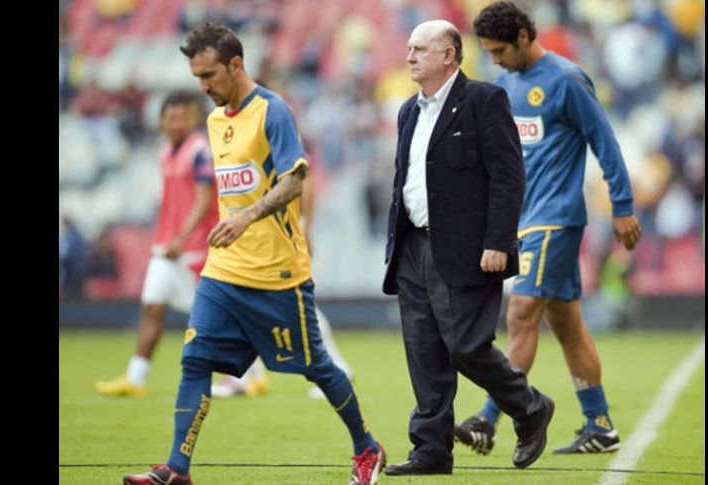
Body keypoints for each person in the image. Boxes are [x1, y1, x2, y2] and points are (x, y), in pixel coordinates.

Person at [123, 22, 385, 485]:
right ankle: (176, 469)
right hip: (225, 271)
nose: (202, 87)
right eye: (197, 77)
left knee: (317, 367)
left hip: (277, 273)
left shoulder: (272, 111)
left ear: (236, 65)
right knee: (195, 360)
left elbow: (295, 179)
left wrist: (248, 216)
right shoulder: (214, 119)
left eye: (209, 75)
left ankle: (366, 448)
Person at [454, 1, 642, 456]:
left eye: (499, 49)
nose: (493, 59)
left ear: (522, 36)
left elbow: (604, 140)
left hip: (555, 218)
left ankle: (490, 418)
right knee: (566, 322)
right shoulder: (505, 82)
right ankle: (600, 426)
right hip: (521, 220)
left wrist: (622, 205)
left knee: (520, 315)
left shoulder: (566, 80)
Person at [382, 20, 554, 477]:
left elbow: (508, 175)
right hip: (412, 246)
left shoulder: (484, 100)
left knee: (466, 348)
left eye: (419, 48)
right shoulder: (408, 111)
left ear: (448, 55)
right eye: (408, 47)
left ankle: (529, 406)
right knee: (424, 352)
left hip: (468, 248)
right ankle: (431, 451)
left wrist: (499, 240)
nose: (409, 56)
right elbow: (407, 180)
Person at [95, 91, 217, 398]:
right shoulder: (166, 152)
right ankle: (136, 378)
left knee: (213, 317)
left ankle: (250, 374)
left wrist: (182, 238)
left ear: (192, 119)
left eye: (183, 117)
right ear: (161, 121)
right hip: (166, 248)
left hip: (193, 249)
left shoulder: (200, 151)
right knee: (151, 307)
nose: (178, 123)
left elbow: (204, 201)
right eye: (172, 117)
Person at [210, 174, 354, 400]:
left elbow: (305, 178)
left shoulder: (275, 140)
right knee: (253, 299)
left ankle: (334, 368)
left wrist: (305, 226)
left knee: (291, 303)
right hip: (262, 237)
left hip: (280, 238)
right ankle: (246, 374)